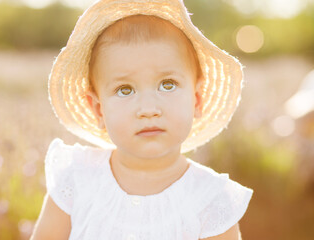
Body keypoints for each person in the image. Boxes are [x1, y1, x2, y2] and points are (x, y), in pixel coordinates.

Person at [30, 0, 253, 239]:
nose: (148, 109)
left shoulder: (210, 199)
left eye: (168, 85)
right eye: (125, 90)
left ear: (197, 100)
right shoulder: (77, 178)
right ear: (98, 109)